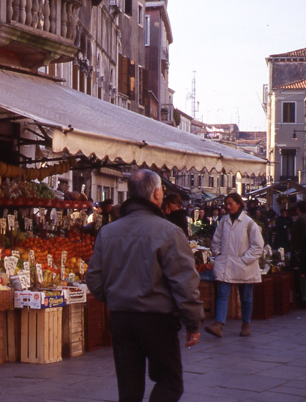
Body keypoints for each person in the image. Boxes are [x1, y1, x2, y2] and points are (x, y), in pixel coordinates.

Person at [86, 169, 204, 402]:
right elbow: (184, 282)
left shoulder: (108, 232)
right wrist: (193, 320)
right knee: (170, 383)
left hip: (121, 318)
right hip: (157, 319)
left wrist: (114, 297)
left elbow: (94, 278)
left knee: (129, 390)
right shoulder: (169, 232)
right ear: (157, 194)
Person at [205, 192, 264, 338]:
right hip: (226, 264)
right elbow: (216, 240)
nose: (228, 206)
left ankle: (246, 324)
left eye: (231, 203)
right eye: (227, 203)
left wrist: (244, 260)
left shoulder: (249, 223)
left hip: (244, 267)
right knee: (222, 294)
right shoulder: (223, 221)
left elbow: (258, 246)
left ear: (239, 204)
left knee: (246, 297)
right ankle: (219, 325)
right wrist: (218, 254)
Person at [290, 201, 306, 307]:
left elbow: (296, 238)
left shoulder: (301, 220)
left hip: (302, 252)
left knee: (302, 276)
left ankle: (303, 300)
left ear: (298, 209)